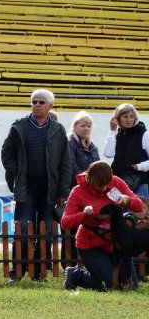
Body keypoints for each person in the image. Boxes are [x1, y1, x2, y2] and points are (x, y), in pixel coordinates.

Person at [1, 89, 71, 282]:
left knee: (46, 230)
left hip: (50, 188)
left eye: (41, 102)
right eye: (34, 102)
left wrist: (64, 191)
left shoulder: (58, 129)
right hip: (26, 186)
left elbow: (66, 162)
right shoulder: (18, 126)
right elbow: (6, 153)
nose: (37, 105)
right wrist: (17, 172)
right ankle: (17, 272)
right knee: (22, 228)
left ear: (50, 106)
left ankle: (39, 273)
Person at [61, 161, 143, 291]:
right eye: (100, 185)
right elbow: (65, 222)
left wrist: (128, 200)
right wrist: (84, 215)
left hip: (114, 245)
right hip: (90, 245)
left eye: (107, 184)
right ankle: (75, 275)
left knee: (131, 286)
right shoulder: (78, 191)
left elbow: (139, 206)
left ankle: (101, 273)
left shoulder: (116, 182)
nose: (105, 188)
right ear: (90, 180)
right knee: (109, 284)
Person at [63, 111, 100, 267]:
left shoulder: (92, 146)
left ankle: (84, 263)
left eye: (89, 126)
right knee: (72, 229)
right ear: (75, 127)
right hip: (76, 191)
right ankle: (69, 265)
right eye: (82, 125)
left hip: (90, 191)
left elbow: (99, 168)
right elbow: (71, 167)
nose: (86, 128)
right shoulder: (70, 142)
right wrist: (89, 182)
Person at [103, 103, 149, 197]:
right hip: (119, 183)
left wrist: (139, 166)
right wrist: (112, 130)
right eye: (125, 116)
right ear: (118, 119)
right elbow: (108, 154)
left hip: (141, 183)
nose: (129, 120)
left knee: (138, 211)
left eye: (131, 116)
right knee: (120, 211)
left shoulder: (145, 134)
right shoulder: (118, 135)